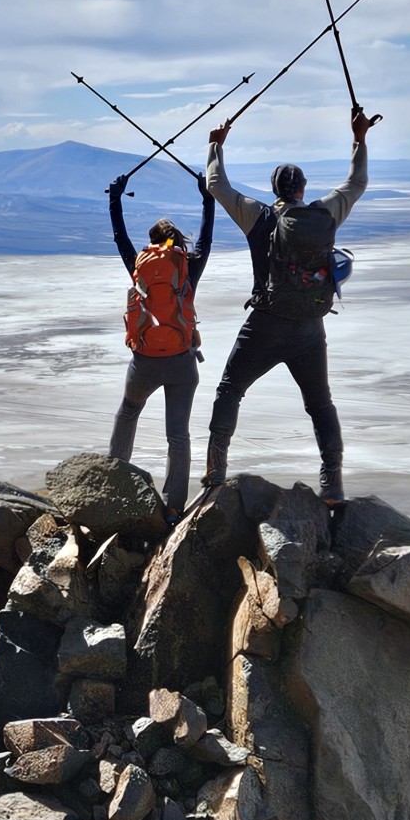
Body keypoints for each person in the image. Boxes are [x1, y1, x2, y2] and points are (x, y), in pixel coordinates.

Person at [201, 107, 374, 504]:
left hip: (265, 324)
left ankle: (216, 470)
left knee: (230, 390)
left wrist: (215, 144)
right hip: (310, 328)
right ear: (303, 187)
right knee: (320, 404)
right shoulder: (325, 213)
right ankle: (332, 483)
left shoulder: (258, 217)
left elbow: (215, 183)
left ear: (275, 187)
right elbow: (357, 182)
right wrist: (359, 139)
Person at [105, 170, 215, 519]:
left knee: (128, 413)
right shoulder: (187, 268)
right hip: (182, 363)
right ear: (178, 242)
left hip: (145, 361)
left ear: (152, 242)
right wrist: (207, 196)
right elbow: (208, 239)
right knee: (177, 436)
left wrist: (115, 199)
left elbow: (119, 238)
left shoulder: (140, 267)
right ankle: (173, 506)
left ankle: (113, 481)